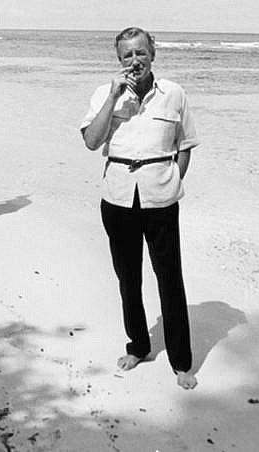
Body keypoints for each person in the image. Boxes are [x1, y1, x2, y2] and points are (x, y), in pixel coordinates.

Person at [81, 27, 199, 390]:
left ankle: (181, 362)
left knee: (170, 279)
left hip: (160, 197)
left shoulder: (174, 94)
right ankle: (139, 346)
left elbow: (186, 144)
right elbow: (90, 141)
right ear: (119, 60)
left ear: (153, 53)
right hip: (117, 197)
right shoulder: (105, 94)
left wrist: (172, 180)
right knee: (128, 279)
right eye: (127, 55)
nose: (135, 60)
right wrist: (114, 97)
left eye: (140, 53)